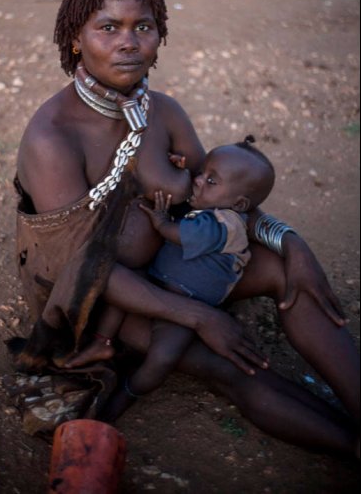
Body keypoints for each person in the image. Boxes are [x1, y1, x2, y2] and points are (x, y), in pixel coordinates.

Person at [13, 0, 359, 455]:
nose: (129, 41)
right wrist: (198, 316)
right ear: (75, 38)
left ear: (160, 35)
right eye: (108, 27)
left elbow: (219, 204)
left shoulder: (164, 112)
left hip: (179, 260)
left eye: (143, 26)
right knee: (228, 362)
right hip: (101, 297)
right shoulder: (54, 137)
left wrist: (293, 244)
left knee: (292, 275)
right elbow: (84, 267)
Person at [64, 136, 276, 420]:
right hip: (159, 284)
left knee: (162, 358)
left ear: (238, 203)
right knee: (125, 291)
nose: (199, 181)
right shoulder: (209, 210)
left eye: (211, 181)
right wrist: (177, 168)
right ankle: (102, 342)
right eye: (202, 173)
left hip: (185, 307)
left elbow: (176, 234)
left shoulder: (225, 226)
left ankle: (128, 393)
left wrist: (162, 221)